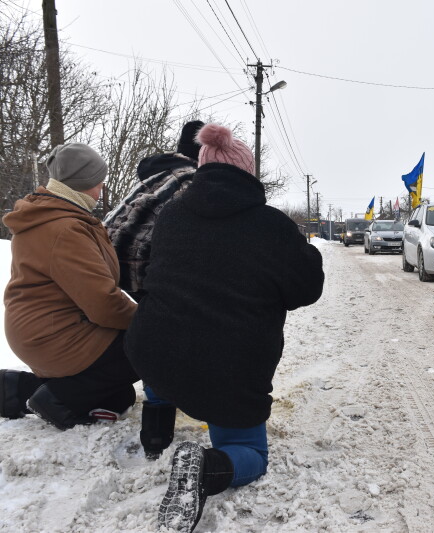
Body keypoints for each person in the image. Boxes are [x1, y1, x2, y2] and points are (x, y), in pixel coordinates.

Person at [125, 124, 324, 532]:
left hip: (152, 350)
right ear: (248, 174)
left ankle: (156, 434)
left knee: (165, 353)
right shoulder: (271, 225)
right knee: (248, 450)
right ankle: (208, 467)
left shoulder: (172, 215)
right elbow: (307, 289)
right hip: (228, 368)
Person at [0, 143, 139, 430]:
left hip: (38, 328)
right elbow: (103, 304)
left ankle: (16, 389)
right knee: (149, 345)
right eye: (99, 183)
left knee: (119, 397)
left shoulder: (51, 214)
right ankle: (55, 399)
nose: (101, 190)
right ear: (84, 183)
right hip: (55, 334)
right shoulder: (66, 228)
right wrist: (148, 320)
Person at [103, 119, 204, 457]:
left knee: (155, 332)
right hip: (147, 267)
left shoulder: (157, 172)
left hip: (110, 263)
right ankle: (160, 423)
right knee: (168, 334)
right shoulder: (192, 181)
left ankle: (159, 417)